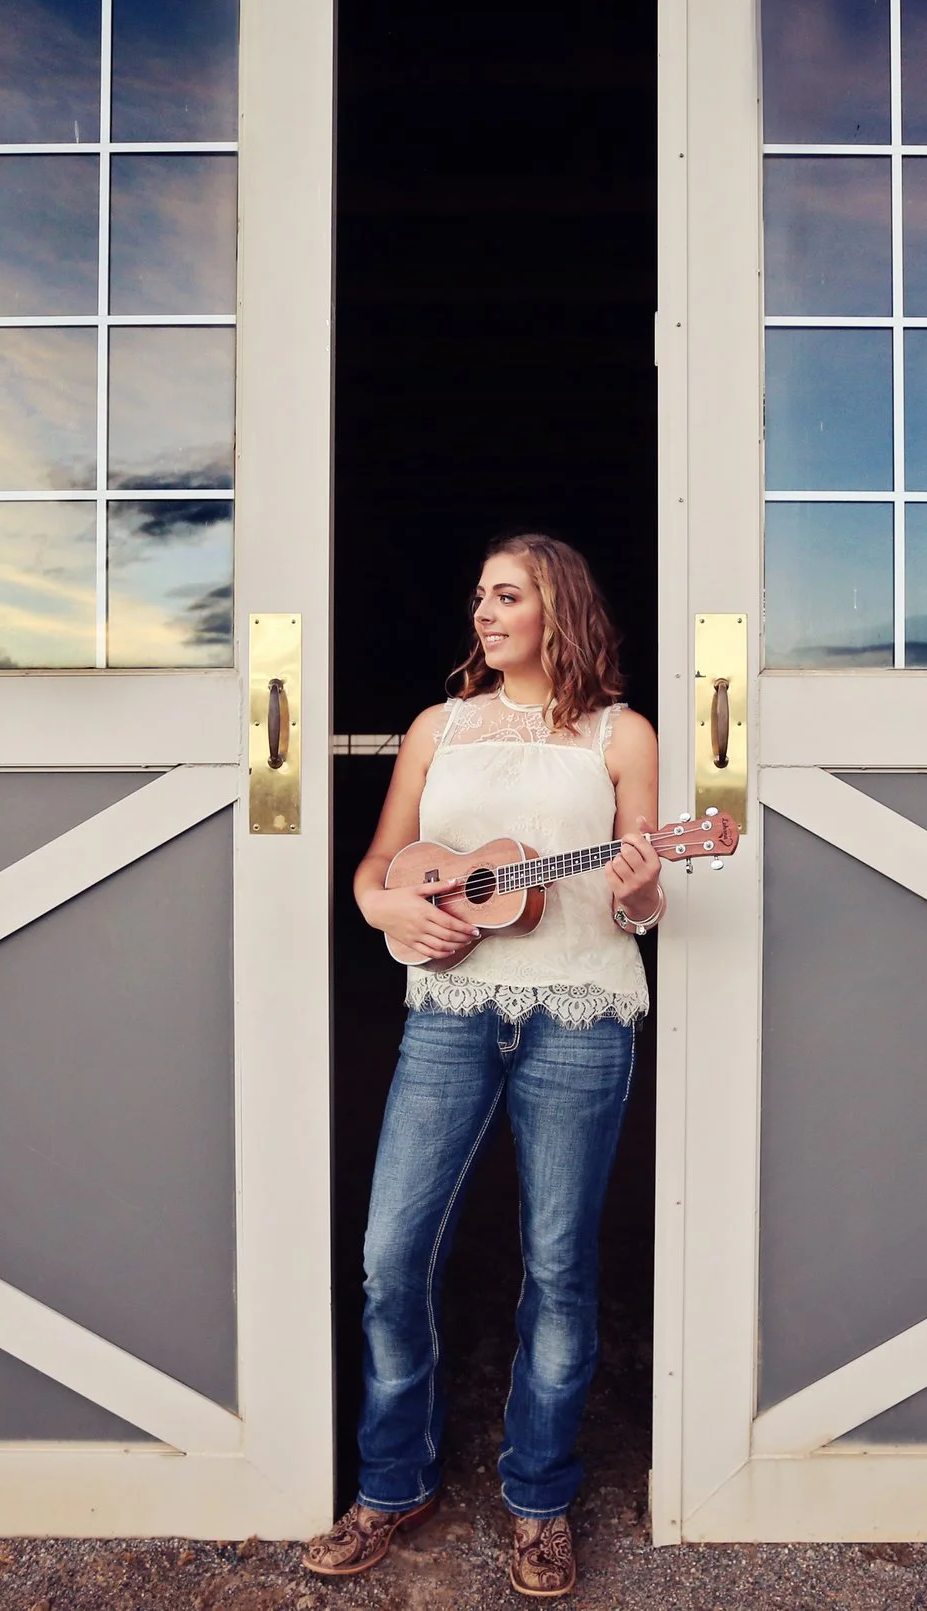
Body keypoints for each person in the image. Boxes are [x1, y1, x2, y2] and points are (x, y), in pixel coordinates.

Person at [302, 534, 664, 1599]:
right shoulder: (438, 727)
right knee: (389, 1256)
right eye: (477, 598)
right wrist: (387, 908)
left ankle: (541, 1503)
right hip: (449, 1013)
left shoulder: (619, 733)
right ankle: (390, 1483)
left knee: (557, 1268)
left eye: (505, 596)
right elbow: (379, 866)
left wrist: (642, 882)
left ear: (557, 610)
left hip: (581, 1016)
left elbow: (640, 905)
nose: (482, 613)